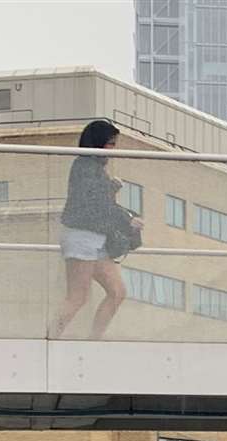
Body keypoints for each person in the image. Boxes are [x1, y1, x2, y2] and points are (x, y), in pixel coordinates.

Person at [51, 120, 140, 340]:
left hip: (95, 239)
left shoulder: (92, 168)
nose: (113, 149)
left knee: (117, 291)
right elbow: (93, 204)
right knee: (77, 297)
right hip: (82, 238)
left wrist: (111, 188)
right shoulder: (86, 166)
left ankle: (93, 340)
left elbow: (94, 201)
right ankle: (49, 339)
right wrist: (127, 218)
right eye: (110, 143)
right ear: (99, 143)